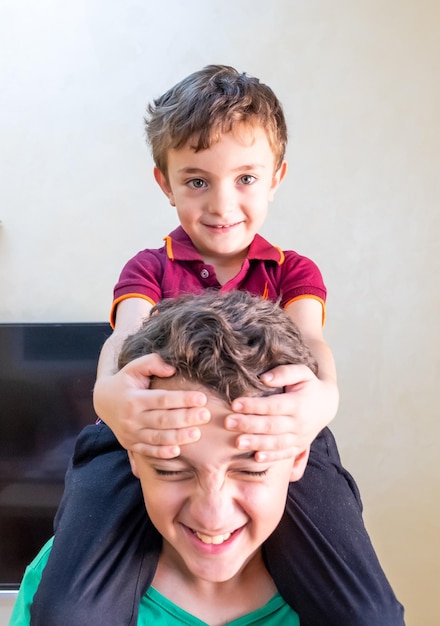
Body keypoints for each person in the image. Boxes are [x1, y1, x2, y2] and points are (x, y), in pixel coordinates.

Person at [29, 65, 404, 625]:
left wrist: (321, 402)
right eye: (198, 181)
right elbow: (124, 336)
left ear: (276, 177)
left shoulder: (293, 270)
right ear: (166, 182)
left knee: (367, 613)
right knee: (69, 612)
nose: (223, 206)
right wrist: (110, 400)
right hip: (147, 428)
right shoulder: (150, 267)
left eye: (246, 179)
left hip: (274, 431)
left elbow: (312, 343)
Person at [12, 291, 320, 625]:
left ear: (298, 457)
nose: (212, 516)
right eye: (171, 470)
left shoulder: (335, 601)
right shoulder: (59, 577)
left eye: (251, 469)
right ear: (132, 453)